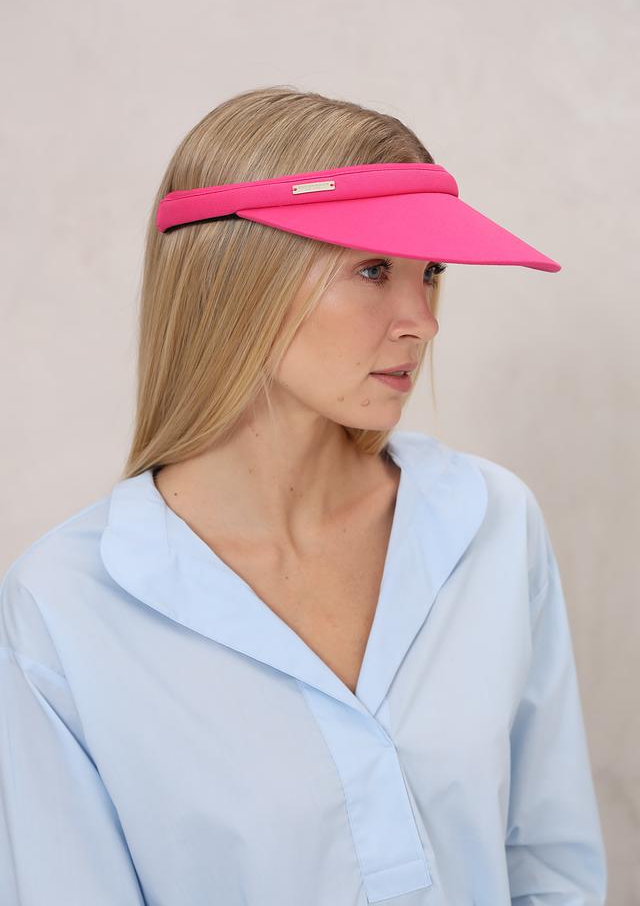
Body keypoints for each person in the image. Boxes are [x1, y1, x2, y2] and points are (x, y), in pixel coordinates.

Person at [0, 85, 607, 905]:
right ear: (237, 280)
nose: (422, 321)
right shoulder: (67, 608)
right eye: (372, 269)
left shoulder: (490, 523)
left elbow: (552, 869)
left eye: (429, 273)